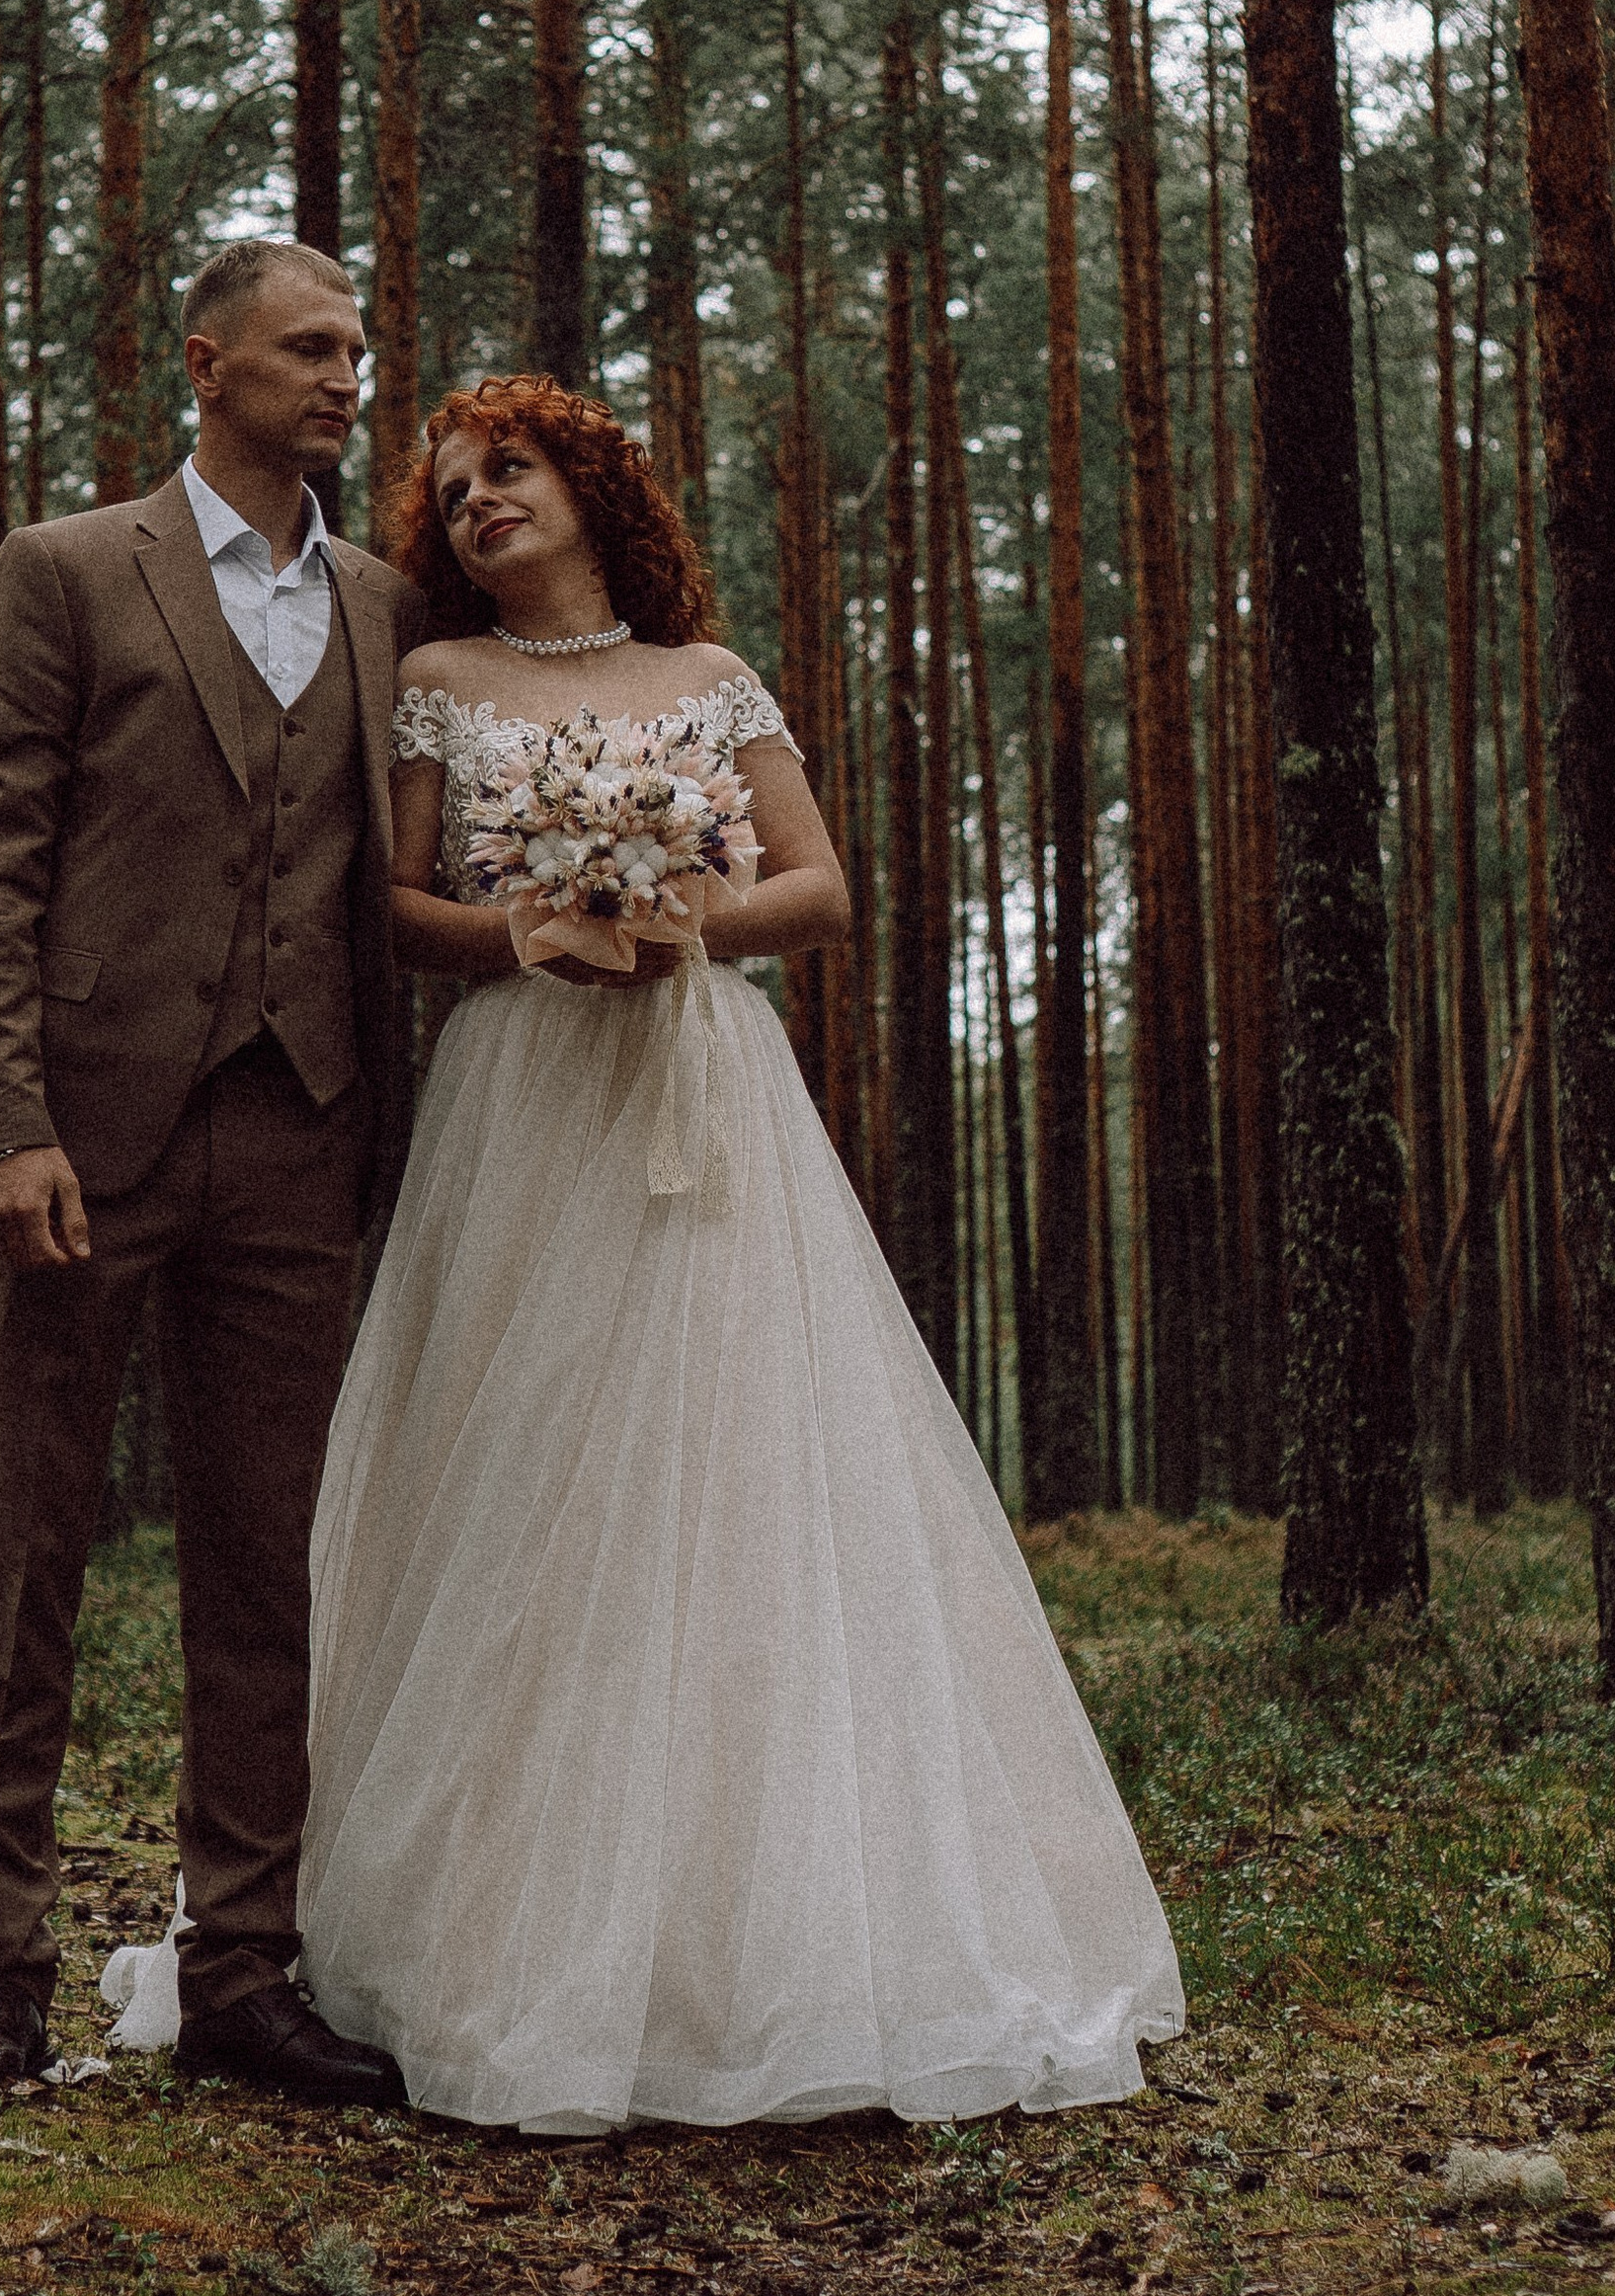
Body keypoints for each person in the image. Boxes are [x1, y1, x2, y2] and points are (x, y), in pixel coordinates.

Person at [106, 374, 1182, 2134]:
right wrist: (527, 926)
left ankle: (754, 1945)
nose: (476, 505)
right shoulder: (438, 688)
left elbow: (821, 887)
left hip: (706, 1092)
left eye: (507, 472)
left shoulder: (710, 682)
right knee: (519, 1482)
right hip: (522, 1104)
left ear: (597, 487)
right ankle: (488, 1936)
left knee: (738, 1476)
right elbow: (384, 906)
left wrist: (684, 913)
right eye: (451, 492)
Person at [0, 237, 425, 2105]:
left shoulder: (381, 600)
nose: (344, 380)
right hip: (87, 1143)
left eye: (357, 352)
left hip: (299, 1143)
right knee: (25, 1560)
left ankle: (241, 1967)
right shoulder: (66, 571)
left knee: (269, 1571)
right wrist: (6, 1123)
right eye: (308, 350)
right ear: (206, 366)